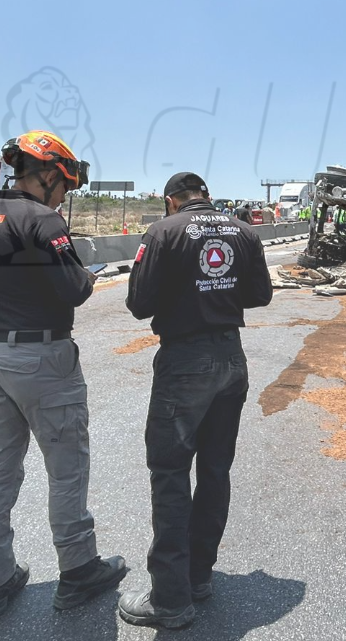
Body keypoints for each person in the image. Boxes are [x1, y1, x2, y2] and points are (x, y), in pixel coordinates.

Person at [0, 130, 127, 622]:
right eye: (65, 186)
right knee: (67, 465)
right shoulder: (43, 220)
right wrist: (86, 277)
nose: (65, 196)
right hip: (40, 357)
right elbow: (74, 289)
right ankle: (78, 571)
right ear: (49, 174)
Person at [120, 172, 273, 629]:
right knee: (214, 470)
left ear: (172, 201)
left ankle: (170, 600)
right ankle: (198, 577)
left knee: (169, 474)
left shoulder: (164, 231)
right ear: (206, 196)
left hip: (185, 361)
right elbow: (260, 295)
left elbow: (138, 303)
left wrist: (181, 289)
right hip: (231, 357)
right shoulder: (243, 231)